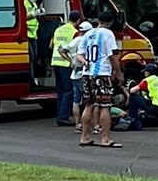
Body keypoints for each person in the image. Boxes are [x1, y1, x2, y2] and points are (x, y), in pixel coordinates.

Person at [77, 11, 123, 148]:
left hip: (87, 74)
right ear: (111, 22)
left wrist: (85, 62)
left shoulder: (88, 34)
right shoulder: (108, 34)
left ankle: (84, 136)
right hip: (101, 73)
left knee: (89, 104)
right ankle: (105, 138)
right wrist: (118, 72)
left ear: (98, 20)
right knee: (105, 106)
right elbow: (112, 55)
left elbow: (79, 54)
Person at [51, 11, 81, 126]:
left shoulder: (58, 29)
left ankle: (59, 114)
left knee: (60, 91)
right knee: (69, 90)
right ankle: (63, 117)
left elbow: (51, 45)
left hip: (55, 61)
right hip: (66, 63)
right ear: (78, 20)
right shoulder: (74, 32)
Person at [61, 21, 92, 131]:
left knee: (76, 101)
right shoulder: (86, 41)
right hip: (82, 73)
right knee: (88, 101)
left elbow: (62, 50)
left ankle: (77, 125)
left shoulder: (75, 41)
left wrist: (70, 61)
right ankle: (87, 125)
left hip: (74, 73)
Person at [127, 64, 158, 129]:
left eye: (145, 72)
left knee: (133, 97)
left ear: (148, 72)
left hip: (156, 107)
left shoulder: (149, 80)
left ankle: (133, 121)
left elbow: (132, 90)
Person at [24, 0, 45, 85]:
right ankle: (31, 79)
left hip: (34, 33)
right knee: (31, 57)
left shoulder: (34, 3)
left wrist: (40, 13)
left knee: (36, 56)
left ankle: (35, 79)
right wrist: (33, 14)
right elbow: (22, 18)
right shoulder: (25, 3)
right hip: (26, 33)